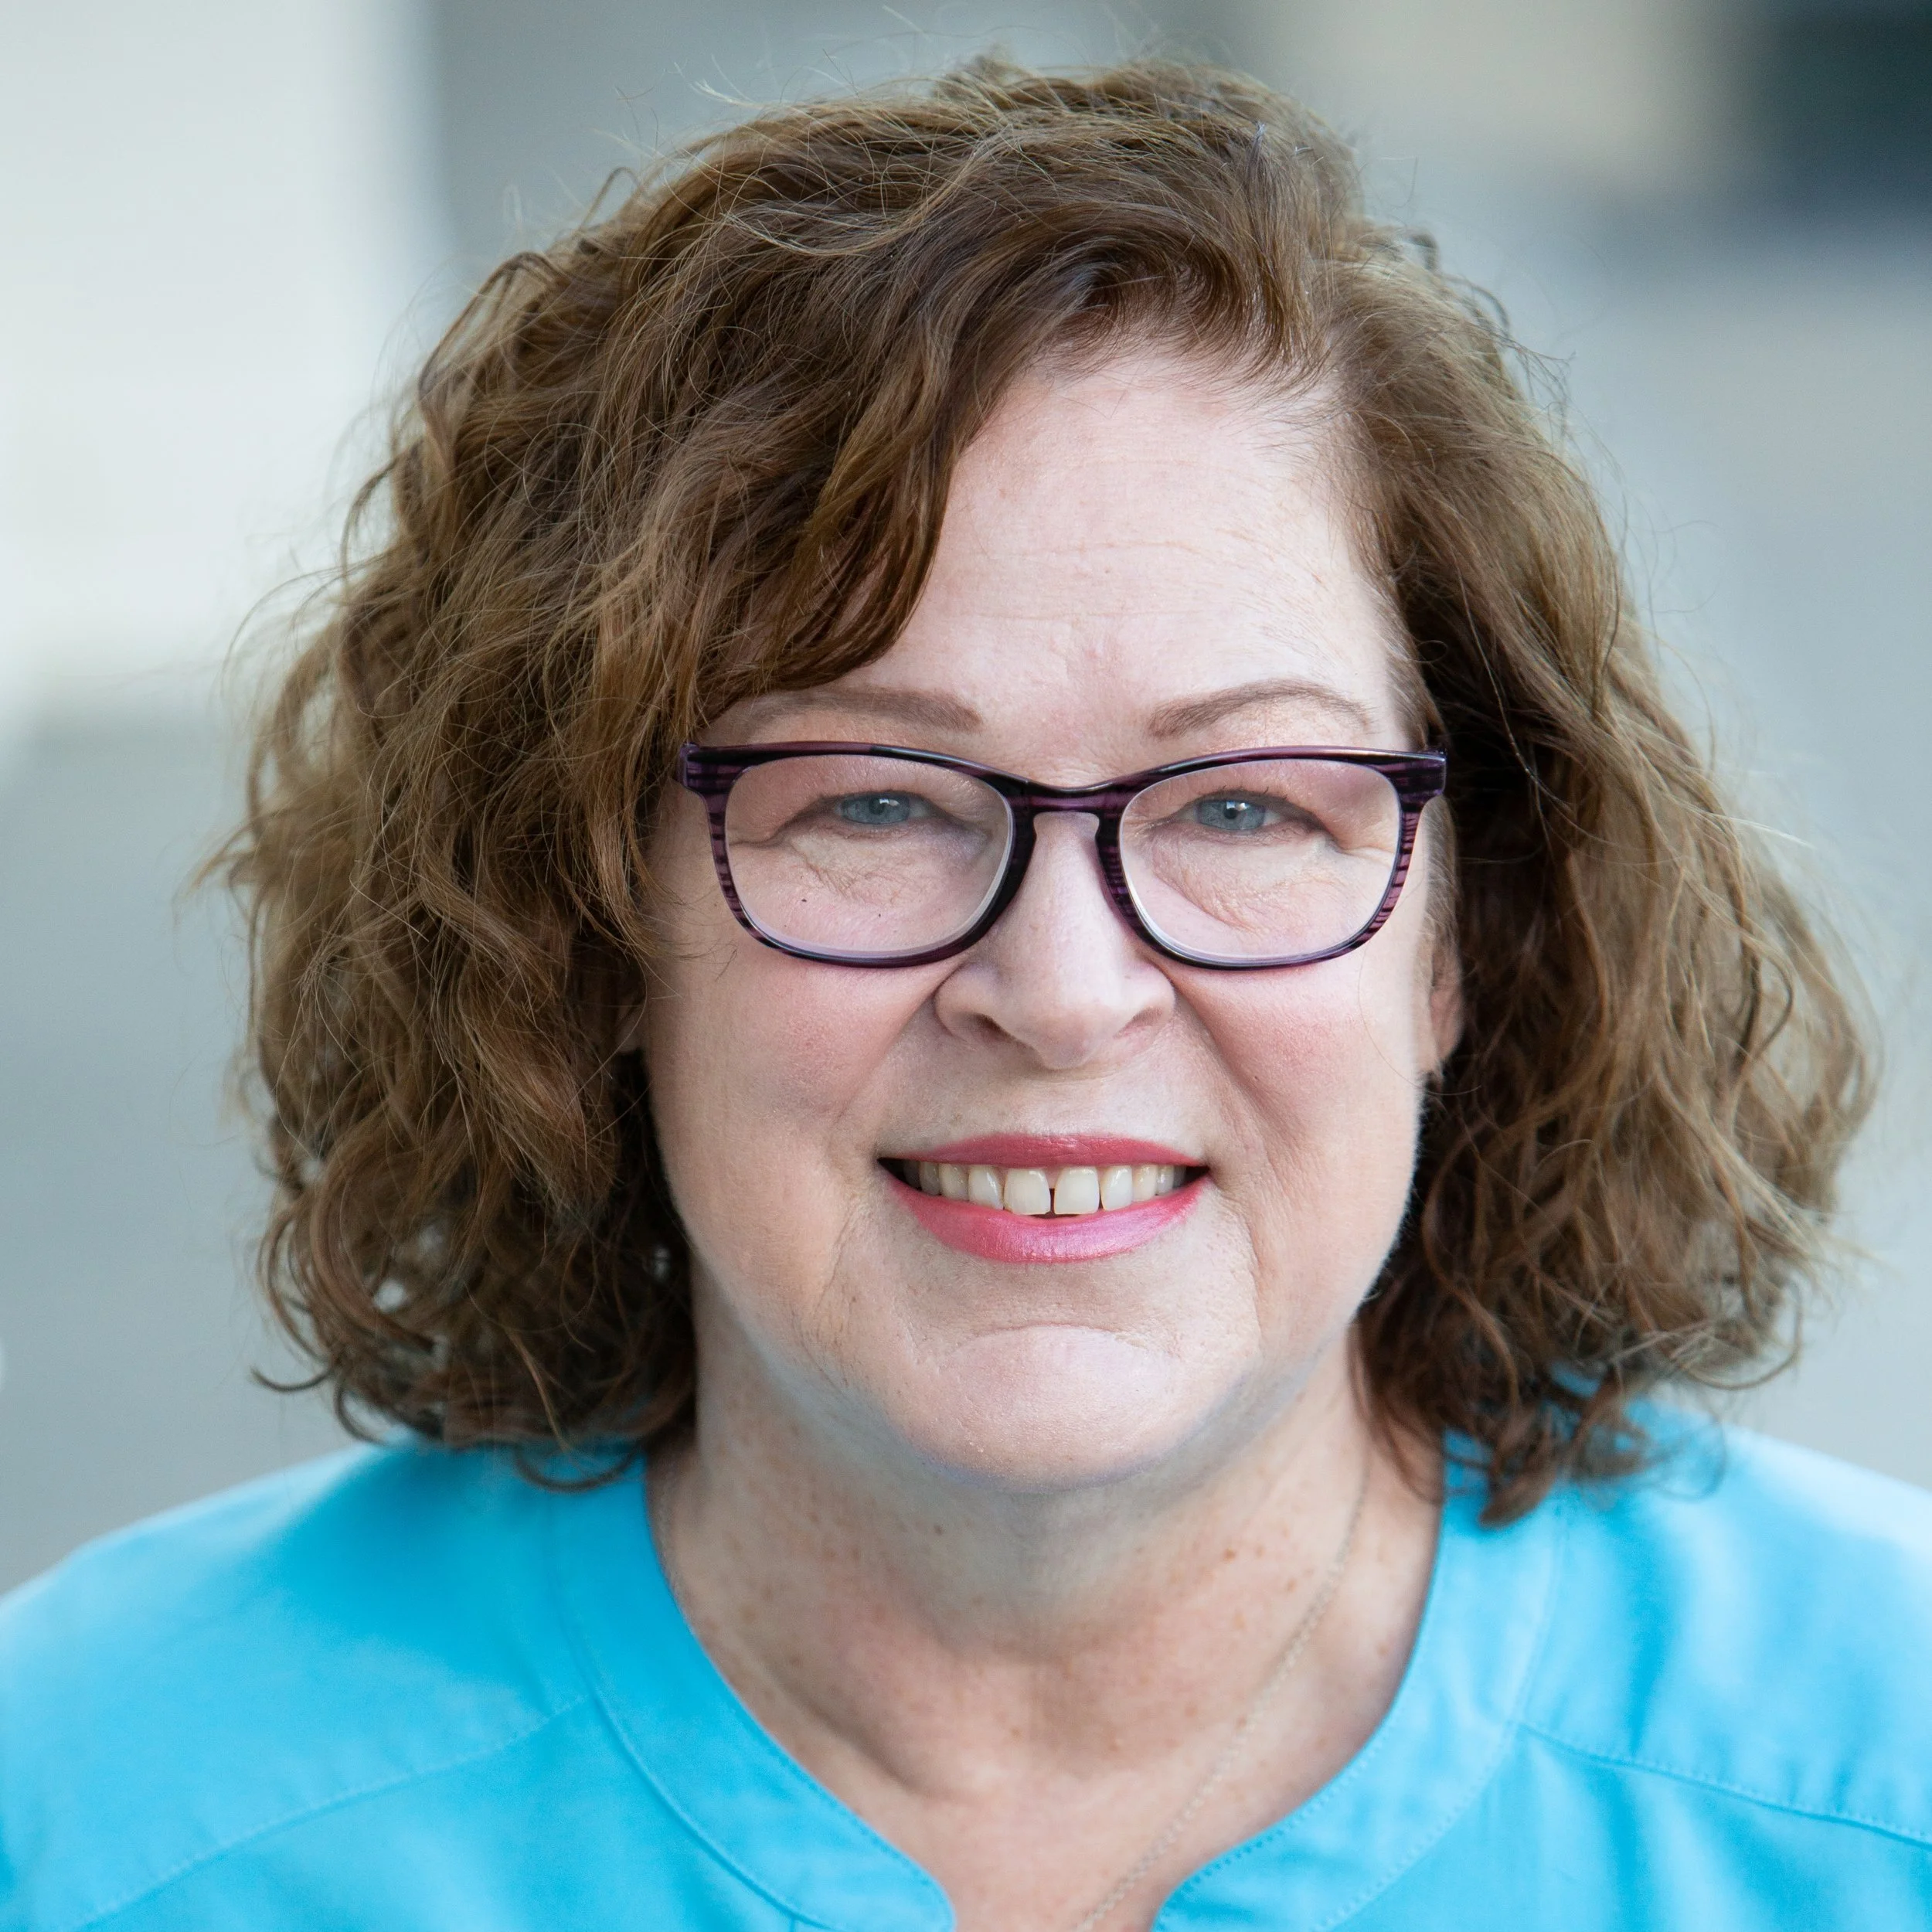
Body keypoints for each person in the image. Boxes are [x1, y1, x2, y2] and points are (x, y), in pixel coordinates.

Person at [3, 56, 1928, 1932]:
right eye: (873, 798)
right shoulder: (95, 1817)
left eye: (1245, 801)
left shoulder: (1879, 1783)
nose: (1064, 987)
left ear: (1461, 930)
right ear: (577, 917)